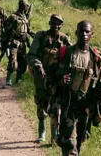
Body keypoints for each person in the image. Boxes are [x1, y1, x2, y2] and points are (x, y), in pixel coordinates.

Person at [56, 20, 101, 156]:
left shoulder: (96, 59)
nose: (84, 34)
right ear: (76, 33)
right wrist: (61, 81)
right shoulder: (66, 53)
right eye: (81, 31)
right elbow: (52, 76)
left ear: (92, 35)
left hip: (86, 108)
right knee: (69, 145)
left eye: (87, 31)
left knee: (79, 142)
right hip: (68, 107)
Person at [27, 14, 71, 143]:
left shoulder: (64, 39)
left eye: (58, 23)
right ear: (49, 22)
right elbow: (31, 55)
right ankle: (41, 131)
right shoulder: (40, 36)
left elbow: (71, 55)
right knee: (41, 102)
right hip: (41, 77)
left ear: (61, 25)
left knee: (56, 105)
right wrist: (38, 65)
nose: (55, 25)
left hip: (56, 78)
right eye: (53, 22)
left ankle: (54, 135)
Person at [3, 0, 33, 86]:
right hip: (14, 42)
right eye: (26, 6)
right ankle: (8, 79)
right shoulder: (13, 17)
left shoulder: (26, 18)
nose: (27, 7)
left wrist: (33, 38)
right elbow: (7, 30)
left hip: (23, 43)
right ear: (22, 6)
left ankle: (18, 78)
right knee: (13, 60)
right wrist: (5, 43)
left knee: (23, 61)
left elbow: (29, 30)